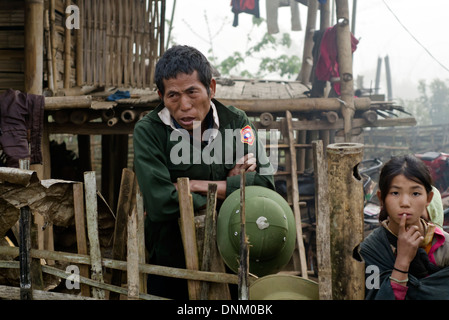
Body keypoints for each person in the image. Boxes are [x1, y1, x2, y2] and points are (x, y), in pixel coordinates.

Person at [133, 45, 275, 299]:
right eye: (173, 95)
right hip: (170, 261)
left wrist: (193, 185)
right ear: (160, 95)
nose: (184, 105)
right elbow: (160, 203)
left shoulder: (237, 122)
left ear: (211, 87)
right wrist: (229, 187)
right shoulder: (149, 132)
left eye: (192, 92)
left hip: (230, 254)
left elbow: (265, 186)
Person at [356, 154, 449, 300]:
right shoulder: (371, 251)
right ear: (381, 199)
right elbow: (372, 294)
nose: (405, 202)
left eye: (415, 193)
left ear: (428, 199)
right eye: (395, 193)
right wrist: (402, 262)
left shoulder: (444, 245)